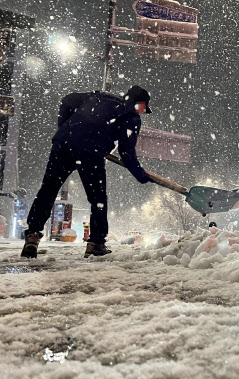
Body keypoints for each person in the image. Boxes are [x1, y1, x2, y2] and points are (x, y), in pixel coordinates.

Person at [21, 85, 152, 259]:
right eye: (144, 108)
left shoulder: (100, 97)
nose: (142, 112)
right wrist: (140, 174)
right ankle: (96, 243)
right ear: (139, 103)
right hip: (91, 151)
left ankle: (32, 235)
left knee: (48, 190)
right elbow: (126, 152)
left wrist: (66, 128)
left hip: (63, 144)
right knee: (98, 198)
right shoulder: (131, 116)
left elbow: (67, 99)